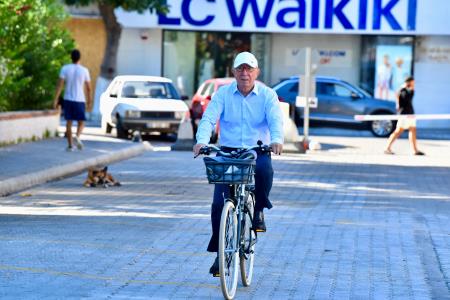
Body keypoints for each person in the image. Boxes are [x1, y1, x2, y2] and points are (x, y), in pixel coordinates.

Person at [193, 51, 284, 276]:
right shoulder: (223, 94)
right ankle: (219, 255)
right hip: (228, 152)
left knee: (265, 170)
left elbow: (275, 120)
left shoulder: (268, 95)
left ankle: (259, 209)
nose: (245, 73)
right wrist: (202, 141)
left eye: (249, 69)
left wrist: (277, 140)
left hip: (257, 150)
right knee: (217, 205)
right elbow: (209, 118)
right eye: (240, 69)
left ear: (256, 72)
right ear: (233, 72)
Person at [53, 49, 91, 151]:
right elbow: (88, 88)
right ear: (80, 58)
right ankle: (77, 136)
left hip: (68, 99)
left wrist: (55, 99)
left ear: (71, 57)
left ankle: (70, 146)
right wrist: (89, 100)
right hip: (80, 100)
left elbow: (60, 85)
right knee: (81, 122)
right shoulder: (84, 70)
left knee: (68, 123)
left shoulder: (65, 69)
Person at [384, 76, 425, 155]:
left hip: (410, 114)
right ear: (409, 82)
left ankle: (415, 150)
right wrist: (410, 90)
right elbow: (405, 100)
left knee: (413, 130)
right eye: (413, 82)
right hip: (404, 114)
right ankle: (387, 147)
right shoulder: (403, 90)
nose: (414, 84)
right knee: (398, 131)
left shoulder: (406, 90)